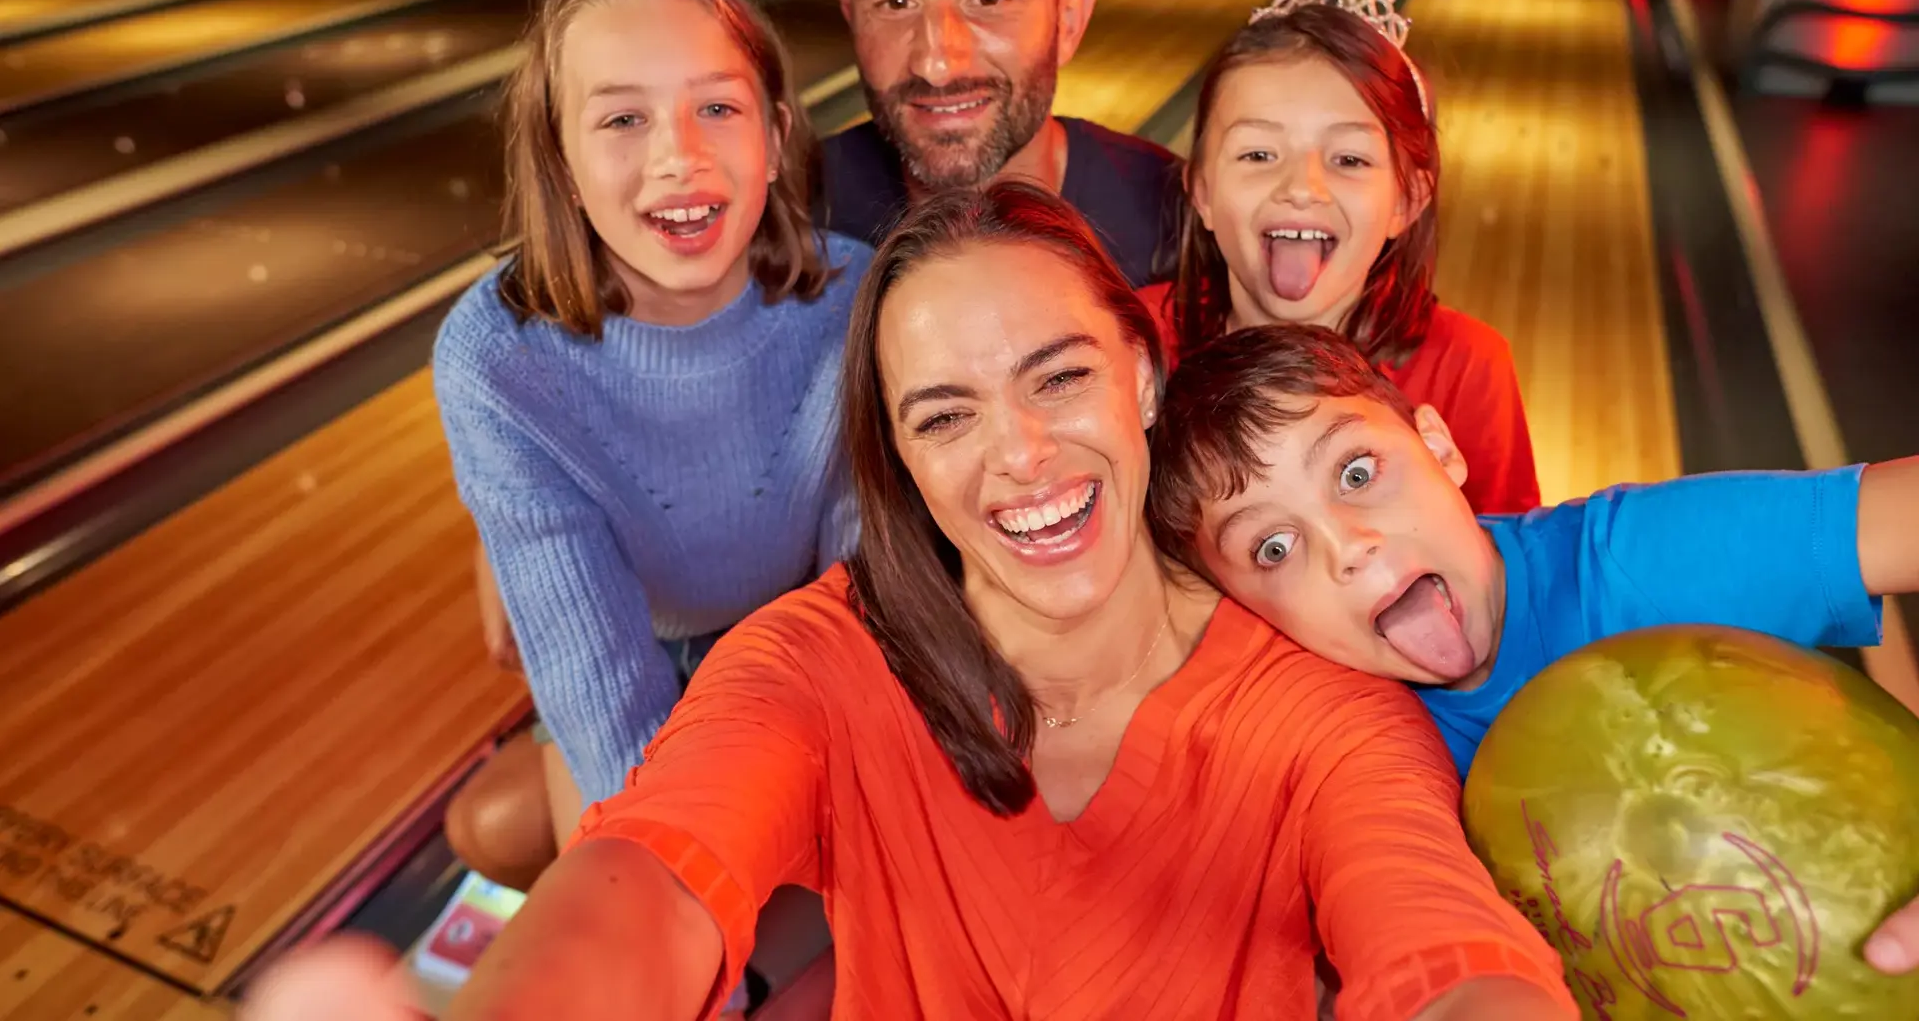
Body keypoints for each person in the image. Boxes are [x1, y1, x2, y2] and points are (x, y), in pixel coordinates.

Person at [243, 183, 1577, 1021]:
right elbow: (651, 876)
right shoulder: (821, 665)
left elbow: (1439, 950)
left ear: (1148, 375)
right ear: (897, 452)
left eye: (1058, 378)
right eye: (946, 414)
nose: (1021, 458)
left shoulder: (1317, 711)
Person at [1144, 321, 1919, 978]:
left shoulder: (1631, 565)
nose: (1347, 546)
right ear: (1247, 611)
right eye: (1274, 548)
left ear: (1439, 448)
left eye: (1355, 471)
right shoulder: (1334, 746)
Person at [431, 0, 871, 901]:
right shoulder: (496, 362)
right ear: (560, 155)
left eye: (717, 107)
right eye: (623, 117)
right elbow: (607, 694)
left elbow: (858, 608)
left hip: (792, 641)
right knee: (613, 878)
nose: (679, 155)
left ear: (776, 133)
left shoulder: (857, 303)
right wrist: (681, 898)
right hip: (635, 650)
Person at [1139, 0, 1539, 514]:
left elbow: (1510, 572)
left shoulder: (1469, 365)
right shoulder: (1134, 342)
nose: (1302, 187)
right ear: (1201, 191)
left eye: (1349, 158)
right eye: (1258, 153)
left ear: (1407, 200)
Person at [820, 0, 1180, 287]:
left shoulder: (1179, 223)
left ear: (1068, 21)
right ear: (853, 21)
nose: (937, 64)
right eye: (895, 4)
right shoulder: (782, 216)